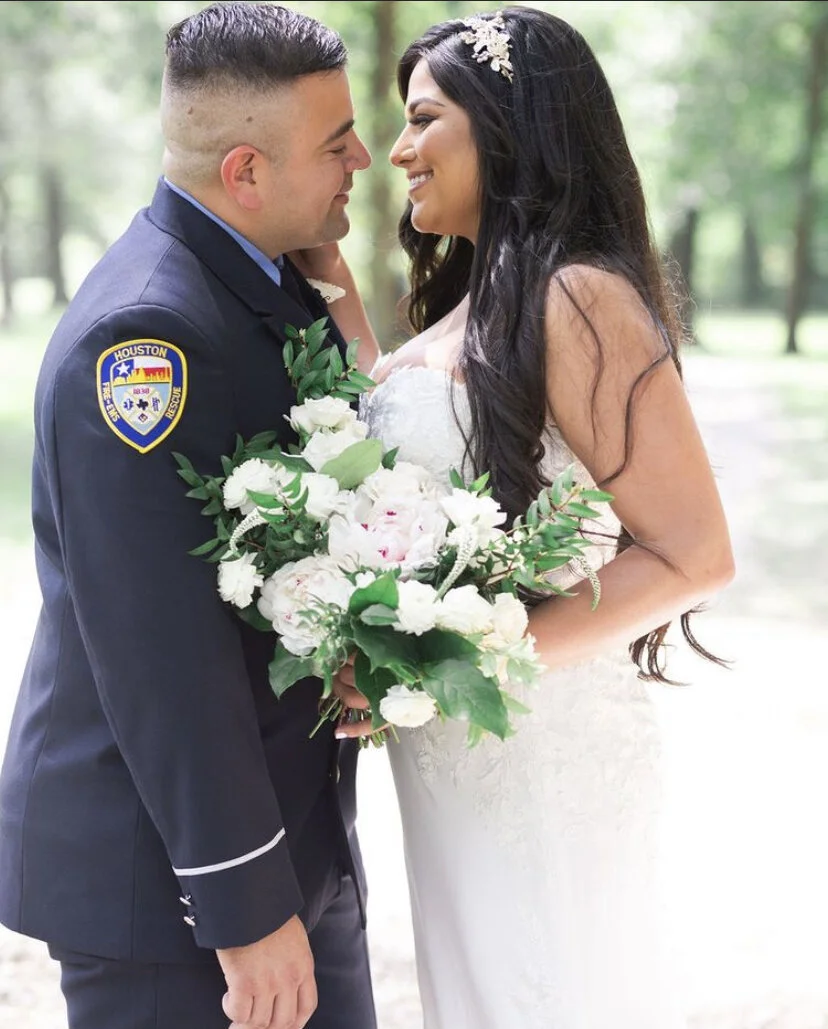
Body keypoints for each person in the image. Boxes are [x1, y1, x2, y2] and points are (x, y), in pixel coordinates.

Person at [337, 7, 735, 1028]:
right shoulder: (479, 302)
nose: (397, 151)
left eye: (424, 119)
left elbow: (693, 555)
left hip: (541, 754)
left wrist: (447, 664)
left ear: (505, 127)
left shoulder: (581, 297)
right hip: (454, 765)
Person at [0, 4, 378, 1029]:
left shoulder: (265, 279)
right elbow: (158, 650)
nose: (368, 159)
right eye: (338, 143)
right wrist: (245, 908)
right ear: (246, 172)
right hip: (174, 888)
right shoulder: (146, 341)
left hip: (286, 836)